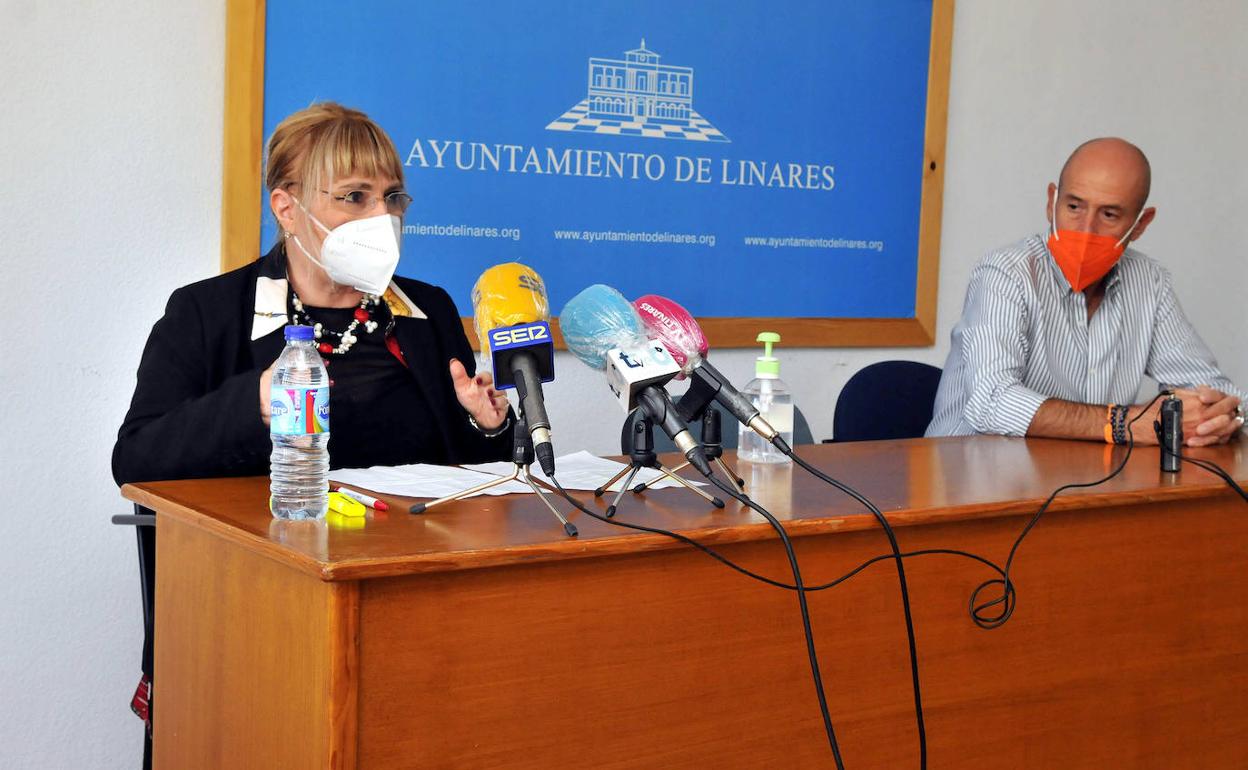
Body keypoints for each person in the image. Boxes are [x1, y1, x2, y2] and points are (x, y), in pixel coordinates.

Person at [113, 102, 514, 487]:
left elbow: (471, 479)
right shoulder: (206, 312)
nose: (383, 216)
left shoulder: (429, 311)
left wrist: (487, 425)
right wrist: (256, 403)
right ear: (287, 209)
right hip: (275, 532)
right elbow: (135, 460)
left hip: (409, 534)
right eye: (355, 196)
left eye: (392, 197)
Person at [927, 137, 1245, 445]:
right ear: (1051, 202)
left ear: (1141, 224)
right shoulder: (1005, 273)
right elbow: (992, 403)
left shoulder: (1149, 282)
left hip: (1084, 476)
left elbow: (1217, 391)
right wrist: (1126, 423)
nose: (1086, 229)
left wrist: (1222, 418)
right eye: (1074, 206)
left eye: (1109, 215)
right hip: (970, 473)